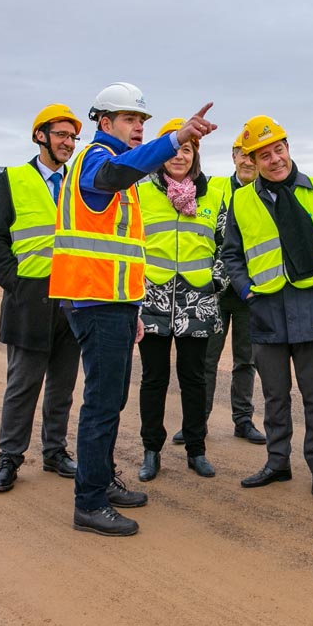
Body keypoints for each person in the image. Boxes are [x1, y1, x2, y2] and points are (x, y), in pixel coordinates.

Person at [51, 83, 217, 536]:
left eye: (142, 120)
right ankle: (88, 502)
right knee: (102, 405)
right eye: (129, 120)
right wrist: (175, 138)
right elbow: (115, 175)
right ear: (104, 123)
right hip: (95, 301)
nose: (139, 127)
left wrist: (135, 308)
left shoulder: (119, 169)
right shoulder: (95, 161)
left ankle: (101, 483)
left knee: (112, 399)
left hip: (117, 303)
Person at [221, 115, 313, 497]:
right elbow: (232, 255)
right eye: (264, 155)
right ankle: (277, 463)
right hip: (266, 311)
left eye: (279, 149)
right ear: (254, 161)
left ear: (288, 148)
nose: (274, 159)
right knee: (274, 397)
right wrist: (246, 291)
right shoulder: (241, 199)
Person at [0, 104, 83, 493]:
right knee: (23, 384)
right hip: (30, 298)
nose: (68, 143)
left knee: (63, 385)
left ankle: (55, 452)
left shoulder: (79, 181)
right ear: (40, 136)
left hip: (73, 298)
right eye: (60, 134)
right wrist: (15, 281)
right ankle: (9, 458)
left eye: (72, 137)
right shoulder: (13, 179)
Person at [136, 118, 229, 482]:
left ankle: (196, 450)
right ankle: (151, 451)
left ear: (196, 155)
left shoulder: (215, 194)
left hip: (198, 301)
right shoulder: (141, 193)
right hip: (153, 300)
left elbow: (228, 244)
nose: (180, 155)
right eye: (174, 149)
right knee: (153, 379)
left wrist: (214, 284)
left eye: (186, 149)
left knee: (194, 379)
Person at [186, 134, 266, 447]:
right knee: (206, 360)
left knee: (246, 361)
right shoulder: (214, 188)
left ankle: (243, 421)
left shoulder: (266, 192)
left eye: (253, 156)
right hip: (215, 291)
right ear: (234, 156)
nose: (248, 161)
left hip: (250, 291)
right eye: (243, 155)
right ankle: (196, 423)